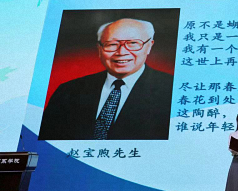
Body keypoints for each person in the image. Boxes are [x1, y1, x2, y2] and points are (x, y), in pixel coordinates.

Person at [39, 18, 174, 140]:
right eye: (111, 44)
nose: (121, 52)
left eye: (133, 43)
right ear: (99, 49)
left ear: (149, 46)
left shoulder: (171, 90)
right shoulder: (68, 91)